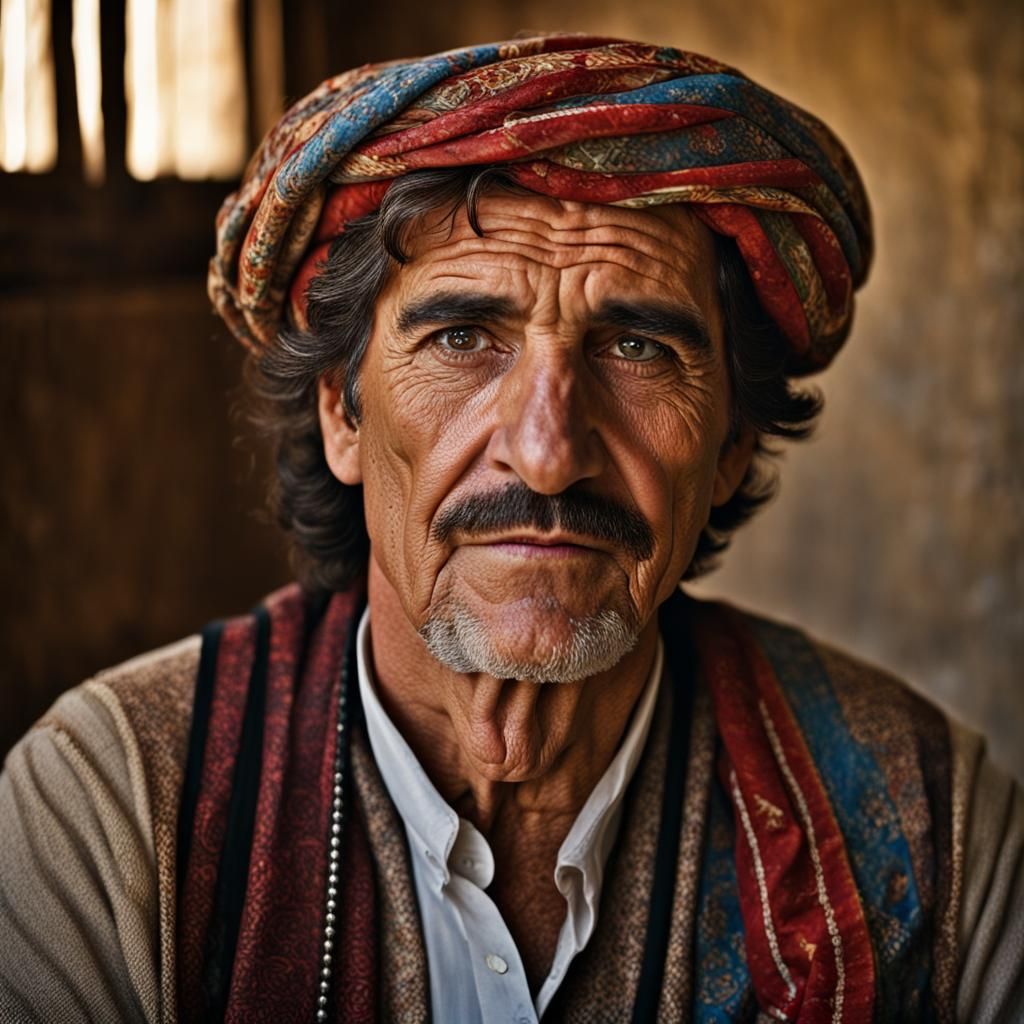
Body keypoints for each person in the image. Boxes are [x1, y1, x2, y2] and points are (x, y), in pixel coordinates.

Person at [1, 33, 1020, 1024]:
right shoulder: (116, 813)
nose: (545, 452)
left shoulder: (929, 824)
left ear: (729, 449)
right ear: (341, 414)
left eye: (635, 347)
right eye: (461, 337)